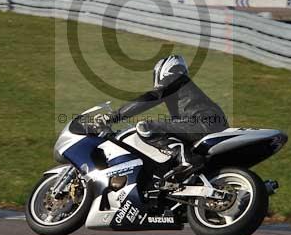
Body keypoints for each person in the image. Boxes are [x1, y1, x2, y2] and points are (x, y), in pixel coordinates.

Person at [98, 55, 229, 176]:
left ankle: (184, 158)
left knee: (145, 127)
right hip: (212, 126)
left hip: (203, 124)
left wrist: (114, 116)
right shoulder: (185, 92)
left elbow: (152, 97)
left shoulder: (174, 78)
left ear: (163, 70)